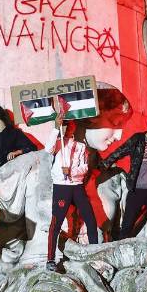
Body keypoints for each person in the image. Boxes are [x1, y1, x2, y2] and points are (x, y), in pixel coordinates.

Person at [44, 114, 99, 271]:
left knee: (90, 218)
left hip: (77, 186)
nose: (68, 128)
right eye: (65, 125)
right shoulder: (57, 143)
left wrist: (72, 171)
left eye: (70, 125)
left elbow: (85, 168)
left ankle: (94, 253)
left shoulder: (81, 146)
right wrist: (56, 127)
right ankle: (50, 260)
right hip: (61, 187)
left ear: (74, 127)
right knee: (56, 222)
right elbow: (47, 150)